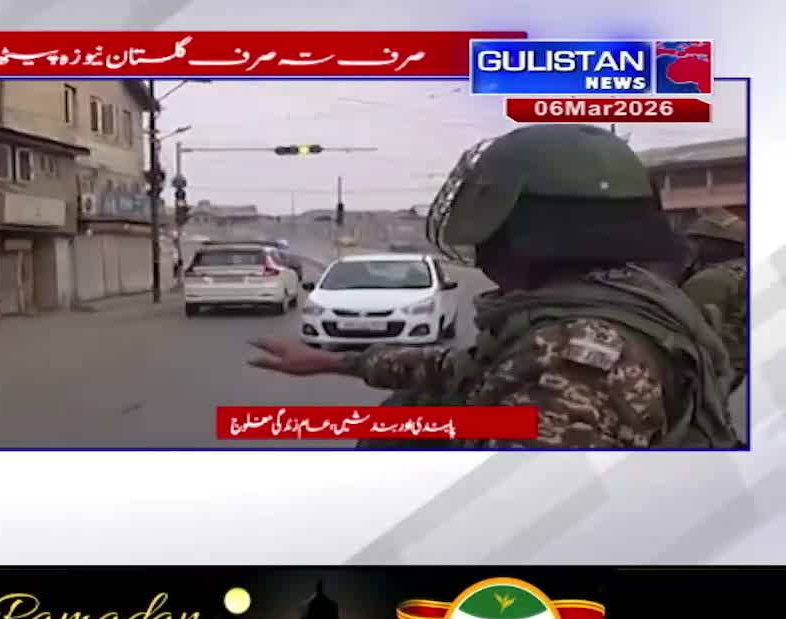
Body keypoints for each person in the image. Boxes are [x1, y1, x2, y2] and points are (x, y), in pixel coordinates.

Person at [249, 124, 738, 449]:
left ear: (526, 229)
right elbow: (461, 369)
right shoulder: (621, 299)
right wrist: (334, 362)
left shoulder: (572, 357)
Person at [680, 208, 748, 392]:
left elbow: (690, 332)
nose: (692, 247)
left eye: (697, 241)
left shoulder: (709, 280)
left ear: (713, 243)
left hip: (726, 371)